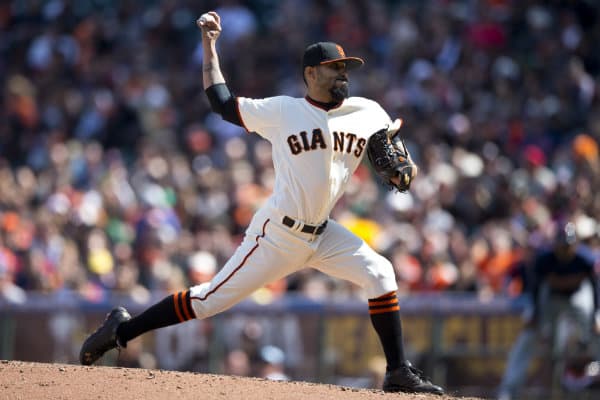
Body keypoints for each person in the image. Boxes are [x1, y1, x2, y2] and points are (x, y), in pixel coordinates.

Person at [79, 11, 444, 395]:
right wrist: (209, 46)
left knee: (381, 273)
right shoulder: (282, 111)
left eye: (345, 68)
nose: (343, 75)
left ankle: (397, 372)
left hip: (324, 233)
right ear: (311, 74)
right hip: (278, 235)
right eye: (334, 68)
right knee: (208, 300)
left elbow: (389, 153)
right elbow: (220, 102)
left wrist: (403, 169)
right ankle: (121, 329)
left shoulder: (367, 112)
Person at [497, 222, 600, 400]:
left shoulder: (586, 259)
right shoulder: (544, 259)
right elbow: (536, 289)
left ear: (575, 244)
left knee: (597, 331)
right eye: (561, 246)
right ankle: (508, 392)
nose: (564, 250)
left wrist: (596, 317)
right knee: (529, 335)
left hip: (578, 298)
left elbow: (595, 288)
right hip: (550, 299)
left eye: (568, 246)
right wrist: (534, 313)